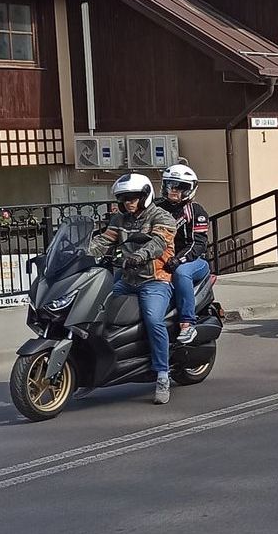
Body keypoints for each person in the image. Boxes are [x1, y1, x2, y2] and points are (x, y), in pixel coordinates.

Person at [88, 173, 177, 404]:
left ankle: (162, 375)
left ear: (145, 196)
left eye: (133, 197)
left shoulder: (162, 216)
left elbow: (158, 243)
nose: (129, 202)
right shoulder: (120, 219)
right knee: (97, 311)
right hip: (127, 281)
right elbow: (105, 240)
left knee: (153, 320)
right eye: (125, 198)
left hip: (155, 280)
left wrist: (138, 256)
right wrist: (82, 253)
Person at [154, 161, 210, 345]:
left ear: (190, 189)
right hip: (161, 258)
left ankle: (187, 323)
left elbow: (199, 244)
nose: (174, 190)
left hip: (193, 261)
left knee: (181, 273)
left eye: (180, 187)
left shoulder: (196, 211)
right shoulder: (156, 207)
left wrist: (179, 259)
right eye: (170, 185)